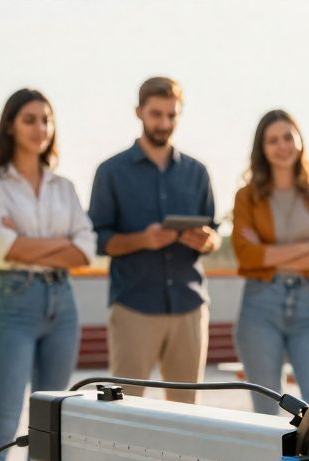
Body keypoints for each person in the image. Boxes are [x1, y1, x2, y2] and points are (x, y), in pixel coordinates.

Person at [0, 89, 95, 461]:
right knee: (2, 423)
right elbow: (4, 246)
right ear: (10, 125)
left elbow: (85, 250)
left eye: (46, 119)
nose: (40, 128)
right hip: (15, 301)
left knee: (49, 424)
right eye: (30, 119)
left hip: (63, 302)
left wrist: (28, 243)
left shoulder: (64, 186)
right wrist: (60, 243)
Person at [88, 77, 219, 403]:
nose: (164, 123)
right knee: (126, 410)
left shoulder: (197, 172)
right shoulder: (111, 172)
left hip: (189, 307)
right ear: (139, 112)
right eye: (156, 114)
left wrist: (206, 241)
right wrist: (143, 240)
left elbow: (214, 235)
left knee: (186, 413)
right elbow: (99, 240)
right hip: (134, 307)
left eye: (171, 115)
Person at [231, 110, 309, 413]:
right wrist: (307, 248)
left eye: (288, 137)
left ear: (300, 140)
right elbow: (246, 255)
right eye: (272, 140)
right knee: (266, 411)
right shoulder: (247, 197)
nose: (282, 146)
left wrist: (268, 252)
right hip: (260, 307)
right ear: (262, 148)